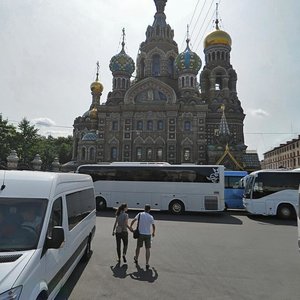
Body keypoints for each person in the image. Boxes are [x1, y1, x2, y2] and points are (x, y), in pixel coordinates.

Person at [130, 204, 155, 270]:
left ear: (144, 208)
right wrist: (153, 232)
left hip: (140, 234)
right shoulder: (151, 217)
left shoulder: (140, 214)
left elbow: (133, 220)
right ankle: (147, 263)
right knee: (147, 249)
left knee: (138, 247)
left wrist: (131, 227)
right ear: (149, 209)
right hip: (148, 234)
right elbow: (153, 226)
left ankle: (136, 258)